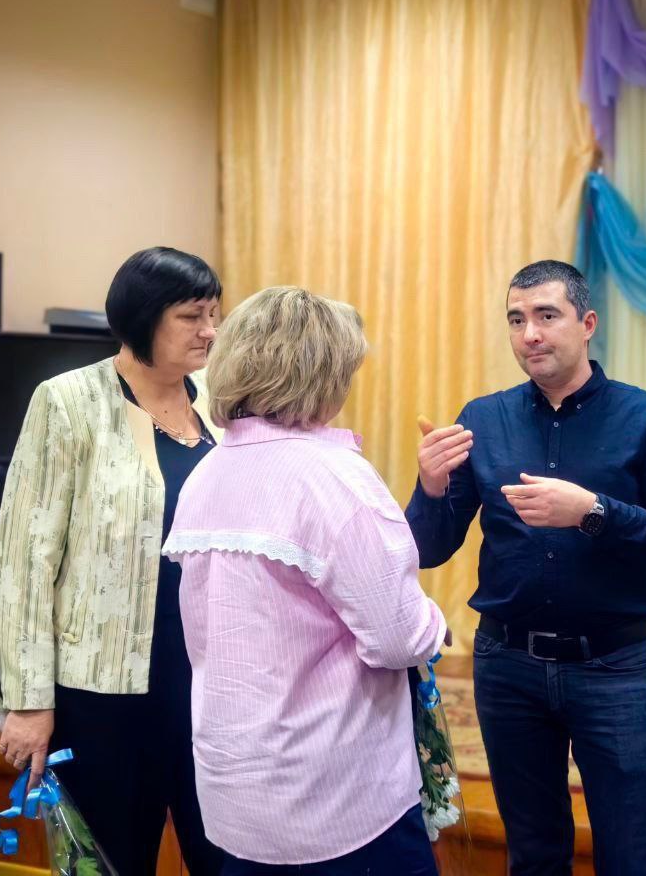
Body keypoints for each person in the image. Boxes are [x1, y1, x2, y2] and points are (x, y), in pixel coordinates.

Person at [405, 259, 646, 875]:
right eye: (516, 319)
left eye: (547, 316)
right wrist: (431, 487)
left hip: (612, 665)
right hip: (507, 667)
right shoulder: (484, 418)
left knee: (631, 852)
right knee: (533, 854)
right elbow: (429, 549)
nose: (530, 334)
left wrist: (594, 512)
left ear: (587, 323)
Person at [164, 287, 447, 876]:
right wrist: (435, 623)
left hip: (236, 787)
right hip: (334, 797)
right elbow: (399, 639)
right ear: (323, 374)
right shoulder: (334, 477)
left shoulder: (207, 473)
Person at [0, 247, 226, 875]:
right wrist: (29, 700)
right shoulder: (67, 402)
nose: (209, 331)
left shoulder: (222, 403)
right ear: (142, 318)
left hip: (213, 683)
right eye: (192, 316)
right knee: (109, 862)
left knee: (226, 859)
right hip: (103, 692)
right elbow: (24, 560)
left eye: (214, 314)